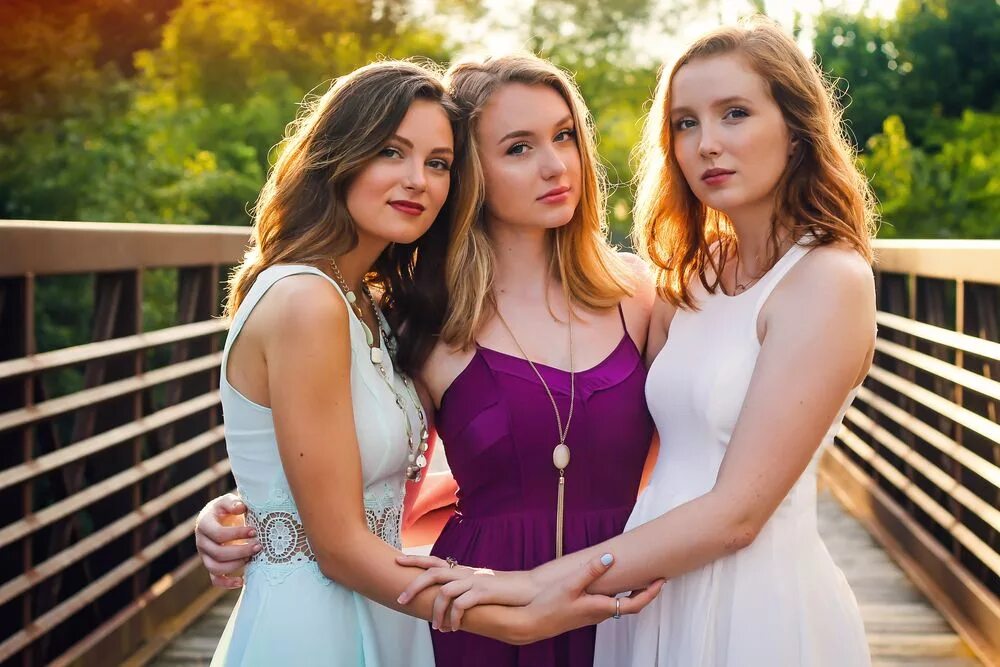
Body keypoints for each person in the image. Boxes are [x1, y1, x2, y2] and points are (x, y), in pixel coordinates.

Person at [398, 17, 878, 667]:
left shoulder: (826, 280)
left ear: (797, 129)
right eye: (686, 123)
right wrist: (256, 510)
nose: (707, 143)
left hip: (746, 601)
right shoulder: (699, 274)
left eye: (734, 113)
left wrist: (541, 580)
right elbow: (368, 465)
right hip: (642, 601)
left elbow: (739, 512)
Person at [196, 53, 660, 667]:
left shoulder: (371, 309)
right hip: (420, 613)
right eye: (391, 151)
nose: (417, 179)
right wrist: (253, 511)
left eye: (436, 163)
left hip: (537, 602)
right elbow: (332, 523)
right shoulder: (393, 313)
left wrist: (260, 511)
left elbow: (378, 469)